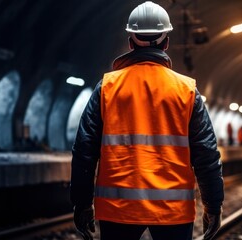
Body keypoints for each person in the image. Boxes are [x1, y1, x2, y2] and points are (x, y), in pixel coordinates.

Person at [70, 2, 224, 240]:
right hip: (172, 211)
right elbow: (206, 153)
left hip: (117, 209)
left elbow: (84, 151)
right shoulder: (186, 90)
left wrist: (81, 204)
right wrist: (213, 206)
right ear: (166, 41)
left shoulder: (107, 88)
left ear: (131, 40)